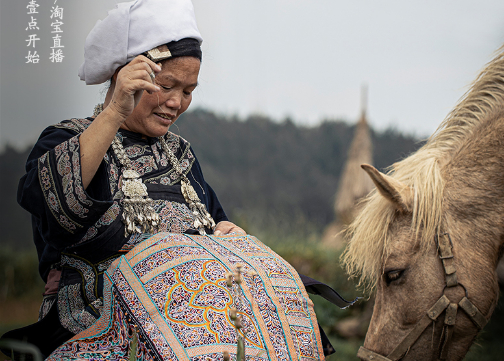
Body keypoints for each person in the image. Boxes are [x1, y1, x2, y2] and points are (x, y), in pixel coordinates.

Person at [1, 0, 354, 359]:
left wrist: (228, 236)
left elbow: (216, 225)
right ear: (127, 76)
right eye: (166, 85)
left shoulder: (180, 156)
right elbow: (52, 209)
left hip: (196, 325)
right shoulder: (66, 139)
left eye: (188, 91)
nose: (175, 102)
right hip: (101, 318)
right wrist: (115, 113)